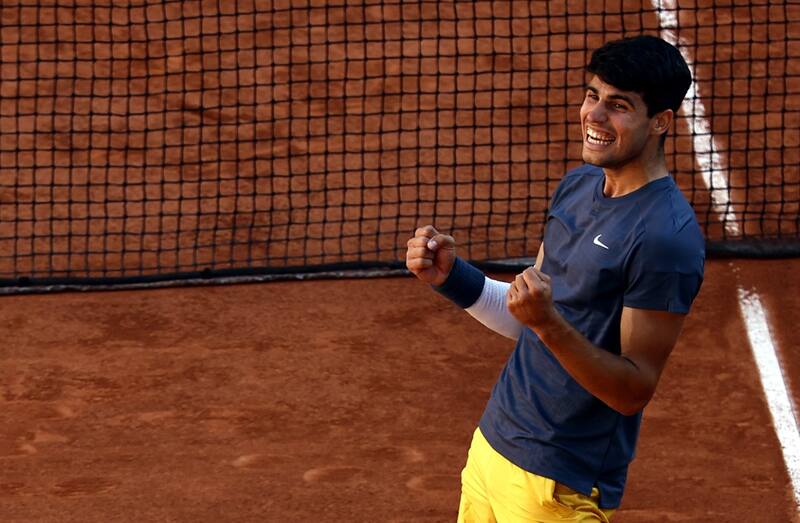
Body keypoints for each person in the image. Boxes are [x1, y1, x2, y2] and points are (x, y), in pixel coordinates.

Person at [405, 35, 705, 522]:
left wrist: (547, 324)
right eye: (592, 96)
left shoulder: (665, 238)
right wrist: (453, 278)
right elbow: (530, 315)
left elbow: (632, 390)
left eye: (619, 106)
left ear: (661, 122)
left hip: (558, 485)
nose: (595, 115)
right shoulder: (578, 185)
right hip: (493, 446)